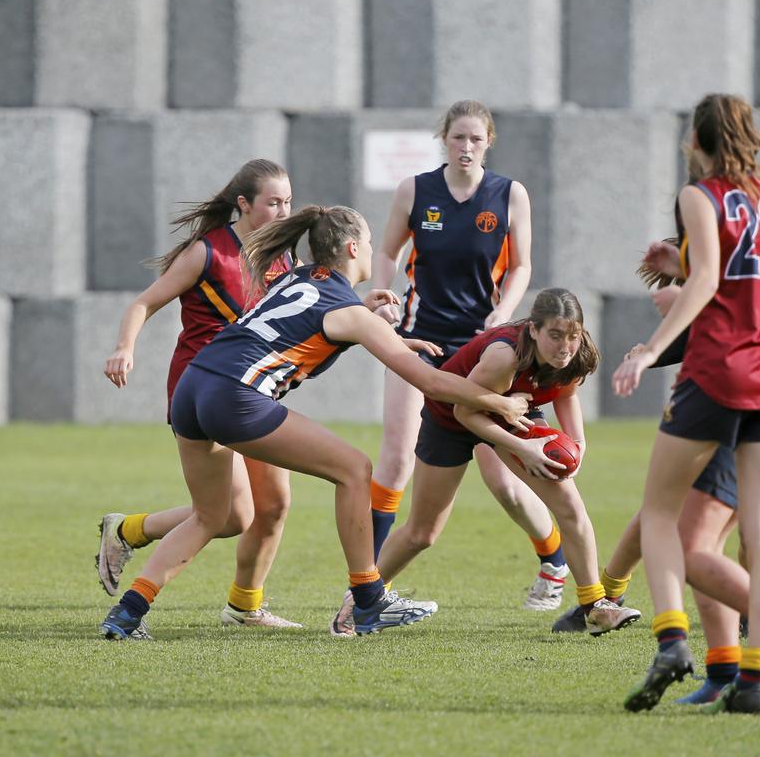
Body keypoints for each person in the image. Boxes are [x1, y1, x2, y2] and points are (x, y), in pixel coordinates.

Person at [99, 204, 535, 640]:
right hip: (234, 395)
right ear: (351, 247)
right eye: (366, 241)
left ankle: (127, 613)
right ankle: (368, 600)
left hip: (194, 387)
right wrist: (498, 404)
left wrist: (374, 323)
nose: (370, 248)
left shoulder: (300, 277)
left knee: (211, 515)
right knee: (354, 469)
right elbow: (430, 383)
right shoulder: (350, 313)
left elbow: (309, 318)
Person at [555, 252, 760, 709]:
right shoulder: (737, 247)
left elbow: (747, 325)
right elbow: (705, 331)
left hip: (738, 405)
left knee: (693, 539)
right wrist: (654, 350)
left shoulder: (757, 261)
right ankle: (736, 677)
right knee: (696, 533)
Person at [614, 94, 760, 715]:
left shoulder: (699, 195)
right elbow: (742, 272)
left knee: (659, 514)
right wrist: (684, 257)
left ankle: (672, 639)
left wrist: (647, 350)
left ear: (696, 139)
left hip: (718, 373)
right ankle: (753, 681)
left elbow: (707, 283)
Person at [365, 100, 567, 619]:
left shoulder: (509, 194)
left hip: (482, 348)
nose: (466, 147)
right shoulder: (415, 190)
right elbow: (386, 252)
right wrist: (382, 293)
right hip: (417, 342)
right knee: (395, 455)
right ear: (445, 139)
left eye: (475, 139)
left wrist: (502, 314)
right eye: (458, 137)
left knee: (502, 478)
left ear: (488, 142)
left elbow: (522, 265)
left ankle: (554, 563)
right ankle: (367, 582)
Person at [351, 288, 641, 637]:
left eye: (573, 335)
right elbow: (465, 411)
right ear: (533, 330)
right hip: (452, 420)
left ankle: (595, 606)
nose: (565, 346)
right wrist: (523, 447)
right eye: (555, 335)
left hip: (516, 413)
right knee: (422, 533)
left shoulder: (577, 354)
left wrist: (578, 444)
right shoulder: (505, 357)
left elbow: (566, 392)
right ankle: (359, 603)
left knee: (570, 508)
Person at [96, 159, 304, 632]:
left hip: (254, 389)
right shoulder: (208, 252)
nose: (283, 210)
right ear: (244, 204)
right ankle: (132, 573)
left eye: (288, 202)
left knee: (269, 507)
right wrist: (124, 348)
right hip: (204, 392)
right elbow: (144, 302)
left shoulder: (283, 256)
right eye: (273, 202)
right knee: (226, 517)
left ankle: (244, 607)